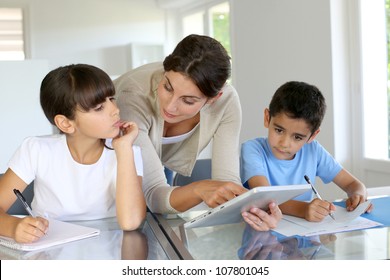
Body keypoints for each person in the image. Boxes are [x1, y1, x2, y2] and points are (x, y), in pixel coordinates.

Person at [114, 34, 281, 231]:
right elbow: (152, 194)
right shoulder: (132, 96)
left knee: (165, 219)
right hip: (115, 159)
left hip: (163, 161)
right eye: (167, 87)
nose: (170, 106)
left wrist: (256, 210)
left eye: (188, 100)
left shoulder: (226, 102)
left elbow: (226, 182)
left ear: (213, 99)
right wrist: (197, 189)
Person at [0, 64, 146, 243]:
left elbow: (130, 222)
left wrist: (124, 149)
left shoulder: (129, 151)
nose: (115, 110)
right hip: (49, 251)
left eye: (112, 98)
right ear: (65, 123)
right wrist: (13, 227)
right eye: (99, 107)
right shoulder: (36, 149)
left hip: (109, 250)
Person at [240, 81, 372, 222]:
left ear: (312, 136)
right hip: (260, 232)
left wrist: (358, 195)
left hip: (303, 234)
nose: (284, 143)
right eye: (279, 130)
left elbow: (353, 184)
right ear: (267, 118)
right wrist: (303, 209)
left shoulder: (313, 150)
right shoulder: (252, 149)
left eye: (297, 137)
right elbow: (264, 197)